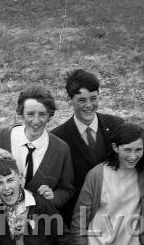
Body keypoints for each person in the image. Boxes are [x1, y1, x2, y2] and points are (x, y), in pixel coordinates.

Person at [0, 85, 74, 209]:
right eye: (30, 114)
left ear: (50, 115)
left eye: (42, 114)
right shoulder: (2, 137)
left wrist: (53, 197)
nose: (36, 120)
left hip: (39, 222)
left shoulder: (61, 149)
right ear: (21, 113)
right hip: (0, 221)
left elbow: (67, 190)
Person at [51, 69, 124, 224]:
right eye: (82, 100)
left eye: (93, 98)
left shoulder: (116, 125)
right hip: (79, 217)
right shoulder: (57, 137)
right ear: (70, 100)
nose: (89, 105)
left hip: (116, 214)